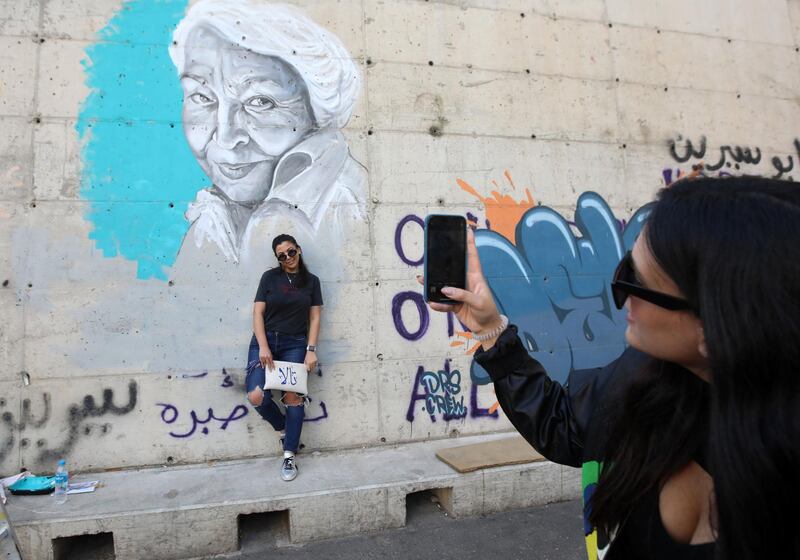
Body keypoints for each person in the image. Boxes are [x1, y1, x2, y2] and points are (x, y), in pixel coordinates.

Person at [421, 176, 799, 559]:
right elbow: (563, 424)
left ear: (716, 326)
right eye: (625, 268)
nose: (620, 296)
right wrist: (490, 329)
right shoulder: (640, 375)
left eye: (639, 283)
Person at [169, 0, 366, 264]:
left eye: (260, 102)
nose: (226, 139)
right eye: (202, 97)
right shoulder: (212, 216)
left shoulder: (346, 207)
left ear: (315, 112)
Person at [246, 234, 322, 481]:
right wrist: (263, 346)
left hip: (295, 344)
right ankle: (283, 429)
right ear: (277, 259)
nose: (288, 258)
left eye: (291, 252)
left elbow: (314, 318)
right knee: (256, 395)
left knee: (292, 397)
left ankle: (289, 455)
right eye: (282, 255)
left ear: (298, 250)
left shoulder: (312, 282)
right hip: (265, 341)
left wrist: (310, 350)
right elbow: (258, 313)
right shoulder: (270, 278)